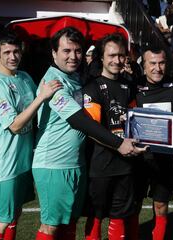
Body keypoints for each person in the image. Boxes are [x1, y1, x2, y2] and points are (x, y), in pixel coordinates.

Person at [33, 28, 141, 240]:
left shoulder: (74, 78)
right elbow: (80, 120)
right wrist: (119, 144)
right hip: (54, 164)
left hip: (76, 163)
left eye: (78, 51)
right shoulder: (53, 82)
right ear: (54, 53)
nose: (73, 56)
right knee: (50, 226)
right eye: (66, 51)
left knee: (69, 224)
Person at [0, 31, 62, 240]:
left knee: (15, 214)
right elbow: (15, 125)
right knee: (1, 220)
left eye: (16, 51)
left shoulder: (25, 77)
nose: (13, 57)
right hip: (6, 162)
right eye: (7, 52)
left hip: (24, 158)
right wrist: (41, 97)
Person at [82, 33, 146, 240]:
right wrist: (118, 143)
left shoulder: (129, 87)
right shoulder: (91, 87)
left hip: (126, 165)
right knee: (96, 217)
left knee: (120, 217)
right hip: (100, 165)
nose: (117, 60)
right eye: (111, 55)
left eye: (121, 56)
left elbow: (135, 124)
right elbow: (91, 128)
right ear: (101, 57)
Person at [129, 46, 173, 240]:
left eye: (161, 63)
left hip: (164, 157)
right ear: (144, 65)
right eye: (152, 63)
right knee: (134, 205)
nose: (157, 68)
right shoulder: (133, 86)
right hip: (138, 158)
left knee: (161, 205)